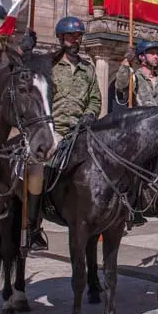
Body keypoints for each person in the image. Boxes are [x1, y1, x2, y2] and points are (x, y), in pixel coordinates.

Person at [21, 16, 102, 251]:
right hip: (54, 129)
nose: (75, 40)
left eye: (78, 36)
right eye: (70, 36)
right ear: (61, 39)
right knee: (37, 166)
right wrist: (26, 52)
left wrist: (90, 114)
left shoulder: (88, 68)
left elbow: (95, 98)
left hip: (82, 129)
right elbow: (32, 89)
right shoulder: (49, 64)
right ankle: (34, 224)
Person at [114, 40, 158, 108]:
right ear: (142, 56)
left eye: (157, 54)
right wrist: (126, 62)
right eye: (152, 53)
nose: (156, 57)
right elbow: (121, 86)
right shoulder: (134, 78)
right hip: (141, 117)